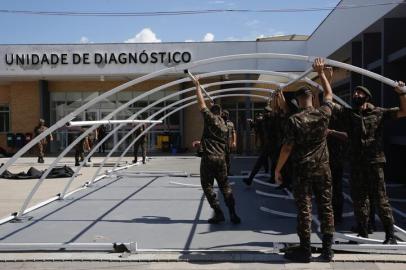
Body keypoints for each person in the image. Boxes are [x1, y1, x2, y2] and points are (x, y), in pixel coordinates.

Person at [274, 58, 335, 262]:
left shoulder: (294, 120)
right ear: (310, 98)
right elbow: (328, 95)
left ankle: (306, 250)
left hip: (303, 171)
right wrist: (323, 75)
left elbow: (287, 148)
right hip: (323, 169)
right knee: (326, 207)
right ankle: (327, 250)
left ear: (299, 100)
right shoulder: (323, 114)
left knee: (305, 209)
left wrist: (277, 169)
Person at [333, 81, 406, 244]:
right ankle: (363, 231)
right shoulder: (349, 114)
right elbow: (330, 104)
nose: (355, 95)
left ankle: (390, 234)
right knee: (359, 199)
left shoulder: (378, 112)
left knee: (381, 199)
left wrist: (401, 93)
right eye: (355, 93)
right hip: (357, 163)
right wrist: (324, 78)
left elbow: (403, 111)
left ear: (367, 97)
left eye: (359, 93)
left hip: (374, 161)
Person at [191, 75, 241, 224]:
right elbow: (215, 141)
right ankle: (233, 213)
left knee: (207, 186)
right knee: (225, 187)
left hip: (208, 158)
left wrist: (197, 86)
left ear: (212, 113)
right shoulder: (225, 126)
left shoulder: (210, 119)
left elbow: (201, 104)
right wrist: (201, 143)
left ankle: (218, 212)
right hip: (221, 159)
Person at [243, 110, 271, 185]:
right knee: (261, 160)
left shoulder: (272, 120)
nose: (259, 117)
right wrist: (252, 122)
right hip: (266, 145)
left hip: (273, 145)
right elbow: (255, 125)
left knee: (273, 161)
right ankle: (250, 179)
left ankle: (274, 177)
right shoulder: (263, 122)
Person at [221, 110, 237, 175]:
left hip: (228, 143)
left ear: (227, 115)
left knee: (227, 158)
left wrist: (234, 142)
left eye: (225, 114)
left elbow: (234, 132)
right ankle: (221, 172)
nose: (223, 115)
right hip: (220, 143)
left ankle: (227, 172)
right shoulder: (219, 122)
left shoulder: (231, 123)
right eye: (223, 114)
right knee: (220, 158)